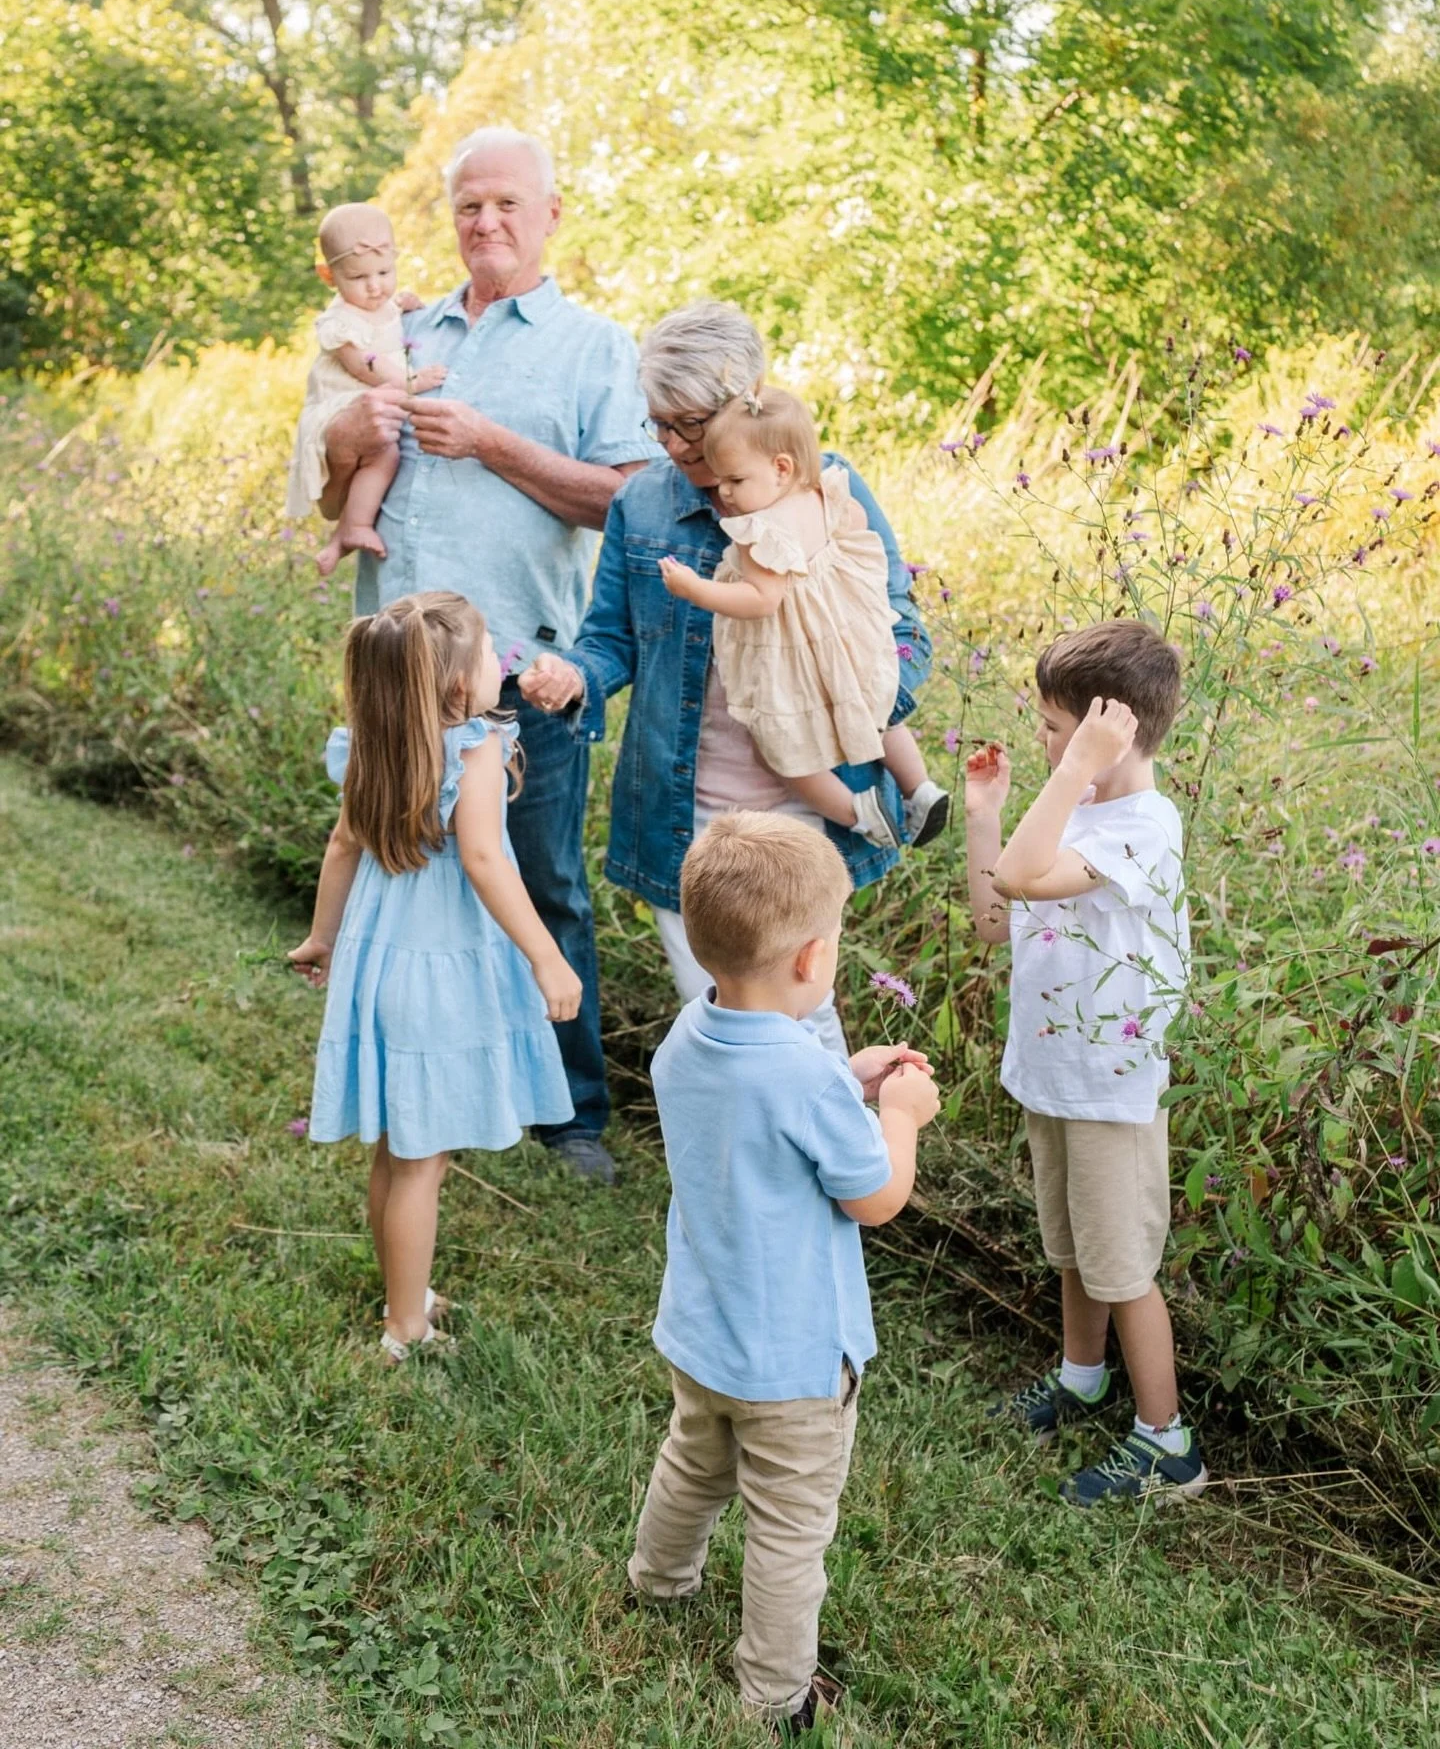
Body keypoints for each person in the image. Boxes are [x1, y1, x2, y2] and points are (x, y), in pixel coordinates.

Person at [315, 129, 661, 1184]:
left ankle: (570, 1118)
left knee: (542, 881)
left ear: (552, 213)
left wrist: (494, 444)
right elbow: (340, 506)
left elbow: (628, 502)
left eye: (508, 203)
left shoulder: (593, 346)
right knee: (390, 871)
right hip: (396, 673)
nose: (485, 222)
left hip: (522, 673)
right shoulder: (399, 335)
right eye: (468, 205)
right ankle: (372, 1080)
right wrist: (341, 448)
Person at [519, 301, 934, 1057]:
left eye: (692, 424)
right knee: (725, 1028)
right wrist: (572, 675)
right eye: (659, 424)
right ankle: (771, 1167)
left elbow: (903, 626)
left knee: (801, 1021)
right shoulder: (641, 502)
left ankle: (839, 1169)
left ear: (746, 404)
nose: (675, 445)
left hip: (808, 809)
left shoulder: (823, 490)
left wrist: (862, 697)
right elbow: (608, 638)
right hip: (687, 817)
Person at [626, 813, 940, 1736]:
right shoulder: (802, 1080)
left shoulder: (689, 1036)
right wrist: (905, 1115)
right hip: (796, 1361)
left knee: (695, 1460)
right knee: (790, 1525)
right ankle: (773, 1692)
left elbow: (762, 1121)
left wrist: (848, 1075)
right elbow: (873, 1196)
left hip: (705, 1332)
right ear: (810, 961)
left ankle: (659, 1579)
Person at [287, 592, 580, 1362]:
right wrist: (546, 954)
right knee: (423, 1160)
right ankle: (404, 1328)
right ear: (457, 687)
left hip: (381, 956)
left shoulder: (370, 742)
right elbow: (482, 859)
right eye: (490, 656)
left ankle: (403, 1291)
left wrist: (322, 938)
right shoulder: (473, 746)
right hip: (438, 968)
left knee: (398, 1150)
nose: (501, 665)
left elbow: (343, 844)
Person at [963, 618, 1205, 1504]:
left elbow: (1028, 879)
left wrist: (1067, 777)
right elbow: (998, 915)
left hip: (1109, 1089)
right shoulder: (1076, 815)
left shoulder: (1141, 826)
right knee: (1072, 1251)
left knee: (1121, 1267)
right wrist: (985, 818)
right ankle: (1080, 1375)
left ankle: (1167, 1443)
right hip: (1052, 1074)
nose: (1044, 743)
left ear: (1114, 733)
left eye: (1058, 731)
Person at [657, 385, 947, 848]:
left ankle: (861, 815)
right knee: (877, 713)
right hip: (845, 637)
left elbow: (761, 600)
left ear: (781, 467)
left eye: (733, 480)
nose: (723, 492)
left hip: (794, 655)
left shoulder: (760, 531)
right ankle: (920, 788)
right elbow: (854, 531)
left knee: (783, 752)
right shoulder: (825, 493)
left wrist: (694, 588)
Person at [284, 203, 447, 577]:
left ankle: (343, 535)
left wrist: (406, 307)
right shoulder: (341, 322)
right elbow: (365, 364)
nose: (375, 286)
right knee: (384, 454)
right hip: (341, 404)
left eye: (385, 272)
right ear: (329, 276)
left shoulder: (383, 303)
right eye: (359, 277)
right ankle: (353, 527)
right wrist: (413, 383)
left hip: (373, 399)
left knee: (384, 456)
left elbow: (391, 322)